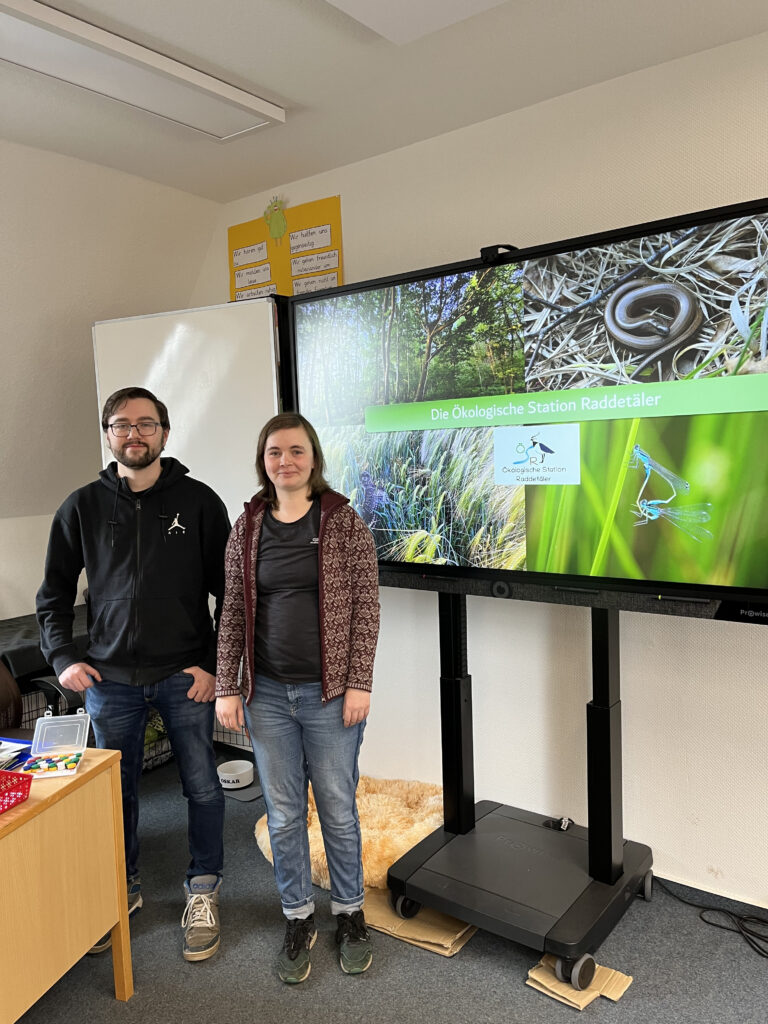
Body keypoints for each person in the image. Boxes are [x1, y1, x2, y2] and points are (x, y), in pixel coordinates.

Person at [36, 386, 231, 962]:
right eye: (123, 424)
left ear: (165, 434)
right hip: (110, 681)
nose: (135, 434)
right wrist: (64, 659)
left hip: (184, 674)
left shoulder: (199, 502)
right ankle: (121, 889)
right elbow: (51, 597)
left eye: (147, 424)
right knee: (114, 793)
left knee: (201, 784)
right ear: (108, 434)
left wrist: (218, 667)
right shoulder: (81, 506)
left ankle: (203, 886)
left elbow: (235, 596)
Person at [215, 412, 380, 984]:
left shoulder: (343, 522)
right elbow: (233, 612)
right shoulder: (248, 526)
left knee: (337, 808)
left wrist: (360, 682)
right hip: (267, 698)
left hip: (330, 697)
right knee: (283, 815)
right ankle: (297, 916)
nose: (285, 461)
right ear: (263, 462)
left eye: (296, 451)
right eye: (274, 453)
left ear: (314, 458)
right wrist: (228, 686)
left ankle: (350, 912)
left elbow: (366, 607)